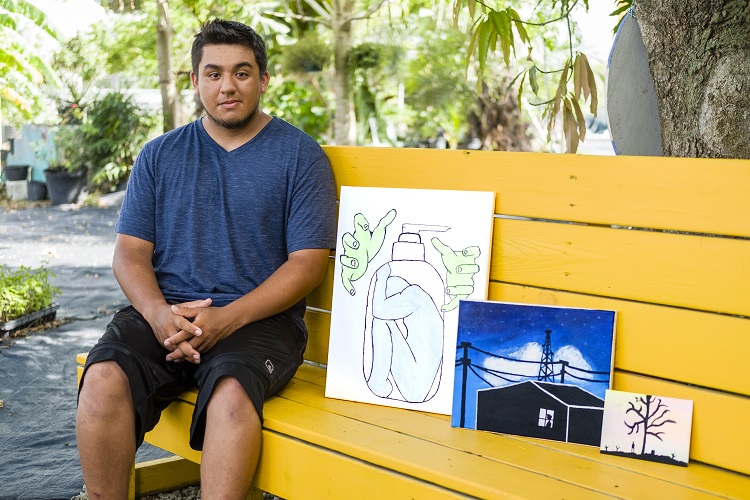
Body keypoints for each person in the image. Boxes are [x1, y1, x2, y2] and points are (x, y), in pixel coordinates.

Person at [76, 19, 337, 499]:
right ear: (195, 81)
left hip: (259, 319)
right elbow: (130, 252)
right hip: (168, 314)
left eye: (242, 72)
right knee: (103, 377)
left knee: (232, 396)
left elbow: (307, 264)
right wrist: (157, 314)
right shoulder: (159, 156)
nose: (228, 86)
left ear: (263, 78)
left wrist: (227, 318)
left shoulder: (300, 156)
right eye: (213, 74)